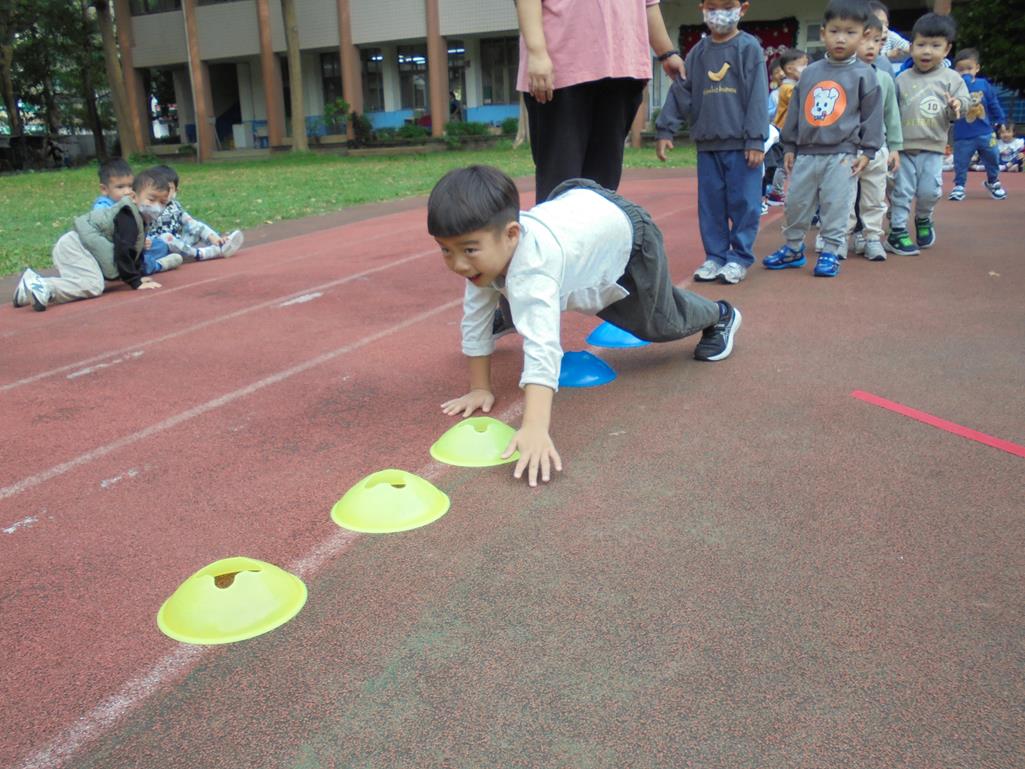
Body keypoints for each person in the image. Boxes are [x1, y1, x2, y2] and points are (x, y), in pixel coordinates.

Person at [429, 165, 741, 487]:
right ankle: (511, 314)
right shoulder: (486, 256)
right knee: (510, 292)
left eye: (468, 250)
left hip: (628, 231)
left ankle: (720, 315)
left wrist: (535, 427)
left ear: (511, 234)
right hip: (577, 201)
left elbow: (543, 348)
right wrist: (480, 388)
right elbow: (476, 317)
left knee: (660, 323)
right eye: (445, 250)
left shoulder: (534, 270)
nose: (458, 264)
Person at [516, 0, 684, 204]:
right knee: (559, 185)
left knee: (603, 187)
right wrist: (537, 52)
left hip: (621, 67)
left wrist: (666, 53)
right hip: (561, 70)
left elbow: (648, 4)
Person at [762, 0, 882, 278]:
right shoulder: (811, 73)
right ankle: (793, 249)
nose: (841, 39)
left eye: (850, 32)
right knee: (796, 203)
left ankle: (830, 251)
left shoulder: (865, 74)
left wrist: (868, 150)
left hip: (842, 155)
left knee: (836, 205)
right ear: (823, 32)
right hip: (806, 153)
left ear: (863, 35)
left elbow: (872, 116)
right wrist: (790, 145)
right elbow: (795, 110)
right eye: (835, 31)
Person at [655, 0, 769, 285]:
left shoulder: (748, 48)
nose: (720, 13)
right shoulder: (699, 52)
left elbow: (757, 94)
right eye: (713, 7)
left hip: (742, 146)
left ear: (743, 8)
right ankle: (716, 256)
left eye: (727, 6)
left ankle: (739, 257)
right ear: (702, 8)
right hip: (708, 145)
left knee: (744, 203)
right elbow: (682, 91)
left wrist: (755, 139)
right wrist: (666, 129)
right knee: (711, 206)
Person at [13, 168, 167, 311]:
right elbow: (124, 249)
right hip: (75, 245)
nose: (157, 206)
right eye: (151, 199)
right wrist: (135, 281)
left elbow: (135, 249)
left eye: (162, 202)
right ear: (134, 197)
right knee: (92, 285)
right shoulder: (128, 216)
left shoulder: (141, 218)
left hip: (80, 246)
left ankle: (27, 291)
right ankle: (44, 285)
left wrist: (138, 275)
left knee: (88, 282)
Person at [886, 13, 969, 256]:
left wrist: (957, 105)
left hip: (933, 147)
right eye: (921, 45)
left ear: (947, 50)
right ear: (911, 47)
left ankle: (923, 217)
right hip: (904, 147)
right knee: (901, 191)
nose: (927, 51)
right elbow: (891, 111)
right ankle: (897, 230)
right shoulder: (901, 79)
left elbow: (963, 103)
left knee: (929, 191)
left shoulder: (951, 79)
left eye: (935, 46)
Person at [845, 12, 902, 261]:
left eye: (877, 41)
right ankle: (839, 238)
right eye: (865, 40)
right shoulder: (842, 76)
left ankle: (872, 238)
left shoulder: (885, 78)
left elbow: (892, 115)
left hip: (877, 148)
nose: (871, 47)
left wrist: (895, 147)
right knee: (844, 197)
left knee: (874, 197)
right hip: (847, 148)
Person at [146, 165, 244, 261]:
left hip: (179, 243)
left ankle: (220, 244)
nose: (165, 192)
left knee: (197, 227)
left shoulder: (176, 206)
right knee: (166, 237)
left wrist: (212, 237)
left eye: (169, 188)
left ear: (176, 190)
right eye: (160, 188)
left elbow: (191, 223)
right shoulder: (151, 208)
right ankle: (200, 254)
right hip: (159, 246)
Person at [948, 48, 1008, 202]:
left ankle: (993, 181)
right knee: (961, 161)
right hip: (963, 134)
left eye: (969, 68)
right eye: (960, 70)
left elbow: (993, 103)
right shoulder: (953, 87)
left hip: (985, 131)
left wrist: (1000, 121)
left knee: (992, 156)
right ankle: (959, 185)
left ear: (977, 68)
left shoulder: (983, 84)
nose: (965, 72)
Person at [766, 48, 810, 207]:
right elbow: (802, 102)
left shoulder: (792, 86)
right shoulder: (788, 88)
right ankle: (776, 192)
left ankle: (779, 191)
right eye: (804, 65)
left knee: (789, 163)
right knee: (784, 163)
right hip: (785, 130)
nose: (807, 68)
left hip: (790, 130)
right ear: (790, 69)